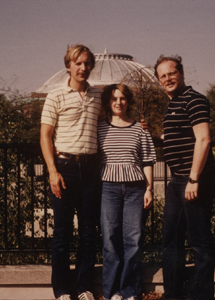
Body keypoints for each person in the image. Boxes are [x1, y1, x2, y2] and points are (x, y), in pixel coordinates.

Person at [153, 55, 215, 300]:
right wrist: (157, 136)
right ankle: (173, 294)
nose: (167, 79)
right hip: (176, 180)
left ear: (181, 73)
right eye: (162, 76)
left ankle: (200, 296)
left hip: (193, 180)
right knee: (170, 238)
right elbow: (180, 136)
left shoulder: (195, 100)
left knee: (199, 240)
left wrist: (194, 179)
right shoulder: (174, 103)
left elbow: (203, 139)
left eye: (171, 73)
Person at [40, 44, 101, 300]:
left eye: (87, 63)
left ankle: (84, 287)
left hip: (90, 169)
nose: (83, 68)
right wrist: (52, 171)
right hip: (64, 168)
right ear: (69, 65)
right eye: (78, 63)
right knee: (63, 231)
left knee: (89, 231)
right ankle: (62, 290)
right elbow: (45, 135)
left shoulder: (99, 96)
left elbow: (118, 118)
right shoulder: (55, 96)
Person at [97, 84, 156, 300]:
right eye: (114, 98)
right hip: (108, 188)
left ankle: (129, 291)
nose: (118, 102)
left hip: (135, 189)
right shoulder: (99, 128)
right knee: (110, 240)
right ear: (107, 102)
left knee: (133, 239)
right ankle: (112, 292)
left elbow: (148, 160)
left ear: (128, 101)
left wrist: (149, 188)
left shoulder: (140, 129)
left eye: (122, 98)